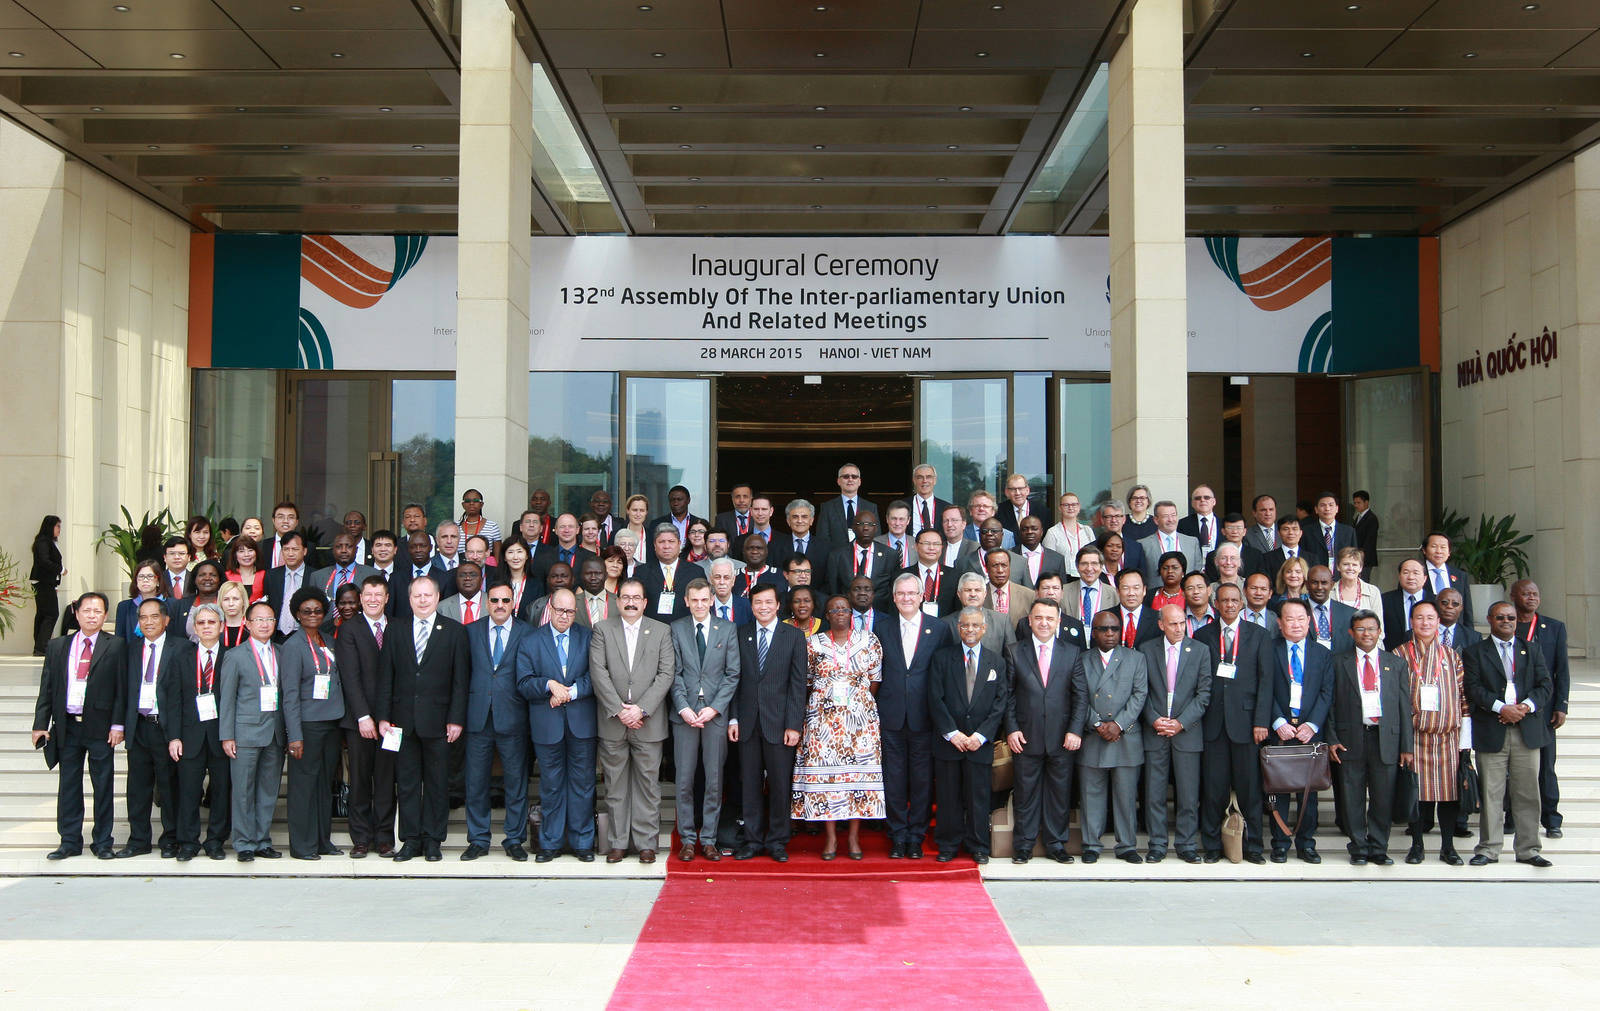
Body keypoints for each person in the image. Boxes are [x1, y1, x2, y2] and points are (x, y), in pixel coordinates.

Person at [376, 576, 469, 863]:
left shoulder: (454, 631)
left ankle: (432, 840)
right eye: (417, 596)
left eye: (428, 595)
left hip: (440, 721)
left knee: (437, 783)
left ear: (438, 597)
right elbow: (385, 678)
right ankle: (410, 840)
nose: (423, 600)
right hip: (401, 722)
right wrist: (383, 717)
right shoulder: (396, 630)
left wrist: (456, 718)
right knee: (406, 782)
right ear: (409, 598)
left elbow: (460, 681)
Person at [791, 595, 885, 861]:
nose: (841, 613)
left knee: (858, 779)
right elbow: (806, 681)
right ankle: (831, 838)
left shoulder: (870, 640)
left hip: (860, 722)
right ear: (827, 615)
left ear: (851, 614)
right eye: (835, 610)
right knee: (826, 780)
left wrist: (856, 700)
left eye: (845, 609)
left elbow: (875, 679)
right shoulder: (813, 643)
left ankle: (854, 837)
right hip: (823, 722)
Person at [32, 592, 126, 860]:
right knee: (69, 785)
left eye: (98, 611)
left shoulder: (116, 645)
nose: (92, 615)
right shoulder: (58, 646)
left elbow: (122, 688)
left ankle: (103, 842)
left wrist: (118, 724)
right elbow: (47, 688)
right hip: (68, 726)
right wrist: (40, 724)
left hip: (101, 727)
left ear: (105, 616)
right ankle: (70, 841)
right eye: (87, 610)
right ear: (76, 612)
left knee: (103, 785)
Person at [590, 578, 676, 863]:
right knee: (614, 786)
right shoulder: (602, 629)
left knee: (648, 787)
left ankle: (646, 844)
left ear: (645, 602)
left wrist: (640, 710)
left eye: (636, 597)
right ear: (617, 601)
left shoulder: (662, 631)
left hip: (648, 722)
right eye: (625, 597)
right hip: (613, 722)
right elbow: (598, 672)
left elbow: (666, 674)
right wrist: (619, 709)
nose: (630, 602)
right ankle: (617, 842)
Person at [1463, 601, 1553, 867]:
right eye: (1500, 617)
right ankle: (1489, 849)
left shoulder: (1532, 650)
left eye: (1511, 618)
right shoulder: (1475, 652)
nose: (1506, 621)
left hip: (1526, 730)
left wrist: (1524, 707)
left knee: (1527, 792)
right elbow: (1473, 688)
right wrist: (1502, 708)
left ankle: (1528, 849)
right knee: (1491, 792)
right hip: (1493, 728)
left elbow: (1545, 685)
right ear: (1490, 619)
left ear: (1517, 621)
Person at [1325, 610, 1413, 866]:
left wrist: (1406, 745)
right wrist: (1331, 738)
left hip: (1385, 739)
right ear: (1351, 633)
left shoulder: (1395, 663)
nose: (1366, 634)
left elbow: (1403, 708)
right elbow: (1329, 703)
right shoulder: (1338, 662)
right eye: (1361, 629)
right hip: (1350, 739)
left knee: (1382, 797)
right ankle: (1358, 847)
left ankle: (1378, 847)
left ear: (1379, 632)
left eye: (1371, 629)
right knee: (1352, 797)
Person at [874, 573, 952, 858]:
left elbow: (944, 674)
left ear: (922, 596)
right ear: (894, 598)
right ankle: (897, 835)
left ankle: (916, 837)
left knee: (921, 780)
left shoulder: (939, 629)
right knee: (893, 779)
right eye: (901, 594)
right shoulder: (881, 629)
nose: (907, 598)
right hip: (891, 716)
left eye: (912, 593)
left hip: (925, 716)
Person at [1193, 583, 1272, 863]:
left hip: (1248, 724)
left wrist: (1262, 720)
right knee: (1213, 789)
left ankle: (1253, 847)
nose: (1229, 605)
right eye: (1224, 600)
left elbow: (1266, 682)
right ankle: (1213, 846)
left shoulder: (1259, 635)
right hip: (1212, 724)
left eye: (1234, 600)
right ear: (1216, 603)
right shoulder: (1202, 635)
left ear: (1242, 604)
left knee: (1250, 790)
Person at [728, 583, 807, 862]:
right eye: (757, 602)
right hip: (747, 723)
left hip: (780, 724)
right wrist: (734, 718)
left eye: (768, 602)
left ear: (777, 605)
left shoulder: (794, 637)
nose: (762, 607)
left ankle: (776, 841)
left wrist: (794, 725)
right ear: (751, 606)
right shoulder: (741, 634)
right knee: (749, 783)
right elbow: (734, 681)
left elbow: (798, 685)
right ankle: (751, 839)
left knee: (779, 785)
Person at [519, 587, 598, 862]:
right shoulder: (530, 641)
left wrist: (570, 692)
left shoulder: (588, 637)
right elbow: (524, 682)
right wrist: (549, 685)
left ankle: (582, 842)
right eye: (560, 610)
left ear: (576, 612)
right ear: (549, 609)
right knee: (551, 785)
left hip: (581, 723)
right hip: (547, 724)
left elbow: (596, 676)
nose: (564, 616)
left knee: (583, 783)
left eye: (570, 611)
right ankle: (549, 843)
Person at [1006, 598, 1087, 863]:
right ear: (1029, 620)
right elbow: (1006, 696)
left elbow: (1080, 696)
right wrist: (1012, 729)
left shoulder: (1072, 653)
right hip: (1025, 737)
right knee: (1025, 794)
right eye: (1039, 618)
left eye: (1050, 619)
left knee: (1059, 795)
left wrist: (1075, 730)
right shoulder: (1015, 651)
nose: (1044, 623)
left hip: (1062, 738)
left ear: (1058, 622)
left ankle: (1056, 844)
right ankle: (1024, 845)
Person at [458, 581, 532, 862]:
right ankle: (478, 839)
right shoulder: (470, 632)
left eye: (505, 600)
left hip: (514, 717)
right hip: (478, 717)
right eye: (495, 600)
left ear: (513, 603)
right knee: (476, 783)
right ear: (486, 603)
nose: (500, 605)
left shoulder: (528, 632)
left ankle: (514, 839)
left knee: (516, 782)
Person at [1392, 600, 1470, 865]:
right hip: (1414, 737)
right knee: (1418, 793)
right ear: (1411, 622)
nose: (1425, 623)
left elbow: (1463, 697)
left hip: (1447, 737)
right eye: (1419, 618)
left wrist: (1465, 741)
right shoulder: (1399, 654)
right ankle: (1417, 846)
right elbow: (1394, 699)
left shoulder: (1452, 656)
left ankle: (1448, 847)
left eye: (1430, 618)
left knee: (1448, 796)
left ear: (1438, 622)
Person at [670, 579, 741, 862]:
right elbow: (672, 673)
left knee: (714, 778)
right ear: (686, 601)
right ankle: (687, 839)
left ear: (712, 599)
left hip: (714, 715)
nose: (699, 605)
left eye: (704, 599)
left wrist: (714, 708)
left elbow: (732, 673)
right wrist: (683, 708)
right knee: (684, 779)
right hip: (685, 713)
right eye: (694, 600)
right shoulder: (676, 629)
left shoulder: (727, 628)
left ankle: (709, 839)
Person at [928, 606, 1006, 864]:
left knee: (978, 797)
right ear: (958, 628)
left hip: (979, 744)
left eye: (975, 626)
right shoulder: (942, 658)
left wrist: (981, 736)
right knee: (948, 797)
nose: (970, 630)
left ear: (983, 628)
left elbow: (999, 703)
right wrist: (953, 733)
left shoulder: (997, 661)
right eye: (965, 625)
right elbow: (935, 698)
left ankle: (978, 845)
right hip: (950, 742)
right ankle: (948, 844)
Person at [1139, 604, 1212, 863]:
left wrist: (1181, 722)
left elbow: (1203, 695)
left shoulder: (1201, 651)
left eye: (1182, 623)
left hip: (1187, 733)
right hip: (1155, 732)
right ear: (1161, 625)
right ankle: (1157, 844)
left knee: (1188, 795)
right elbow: (1141, 690)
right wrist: (1153, 719)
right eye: (1173, 624)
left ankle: (1186, 844)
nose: (1179, 628)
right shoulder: (1146, 649)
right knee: (1154, 793)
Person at [158, 601, 229, 861]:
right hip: (189, 736)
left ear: (221, 626)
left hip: (222, 736)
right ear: (194, 628)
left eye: (212, 622)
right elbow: (172, 699)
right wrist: (174, 736)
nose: (207, 627)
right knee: (188, 791)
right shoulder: (181, 657)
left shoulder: (231, 656)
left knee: (221, 791)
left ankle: (216, 841)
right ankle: (188, 842)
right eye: (202, 623)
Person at [1078, 606, 1149, 864]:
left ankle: (1127, 844)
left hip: (1125, 735)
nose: (1109, 633)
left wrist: (1118, 724)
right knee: (1091, 794)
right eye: (1103, 629)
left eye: (1114, 629)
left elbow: (1140, 695)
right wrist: (1097, 724)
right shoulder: (1082, 659)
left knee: (1126, 795)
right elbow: (1077, 697)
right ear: (1093, 633)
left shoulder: (1135, 658)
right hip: (1093, 734)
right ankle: (1091, 844)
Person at [1266, 599, 1334, 863]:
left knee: (1309, 794)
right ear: (1280, 624)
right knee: (1279, 791)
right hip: (1279, 730)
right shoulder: (1269, 650)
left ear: (1309, 622)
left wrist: (1313, 724)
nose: (1295, 624)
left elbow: (1327, 693)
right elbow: (1264, 689)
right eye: (1289, 619)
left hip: (1310, 732)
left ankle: (1307, 844)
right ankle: (1280, 844)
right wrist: (1277, 721)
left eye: (1300, 619)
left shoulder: (1322, 653)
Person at [280, 587, 345, 861]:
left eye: (318, 610)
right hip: (307, 725)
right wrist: (294, 735)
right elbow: (290, 694)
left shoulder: (328, 641)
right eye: (306, 611)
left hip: (331, 723)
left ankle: (322, 840)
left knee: (323, 785)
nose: (313, 615)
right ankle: (302, 845)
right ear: (297, 614)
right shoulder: (293, 646)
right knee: (303, 786)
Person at [219, 600, 286, 862]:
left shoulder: (281, 652)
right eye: (258, 619)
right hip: (245, 733)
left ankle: (262, 840)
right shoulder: (235, 656)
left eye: (269, 619)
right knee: (243, 790)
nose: (264, 624)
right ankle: (244, 842)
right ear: (247, 624)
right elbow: (227, 698)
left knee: (268, 790)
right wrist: (227, 735)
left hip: (275, 732)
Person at [335, 575, 395, 858]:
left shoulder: (397, 626)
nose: (372, 599)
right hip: (359, 720)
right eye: (367, 594)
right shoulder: (349, 629)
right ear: (360, 599)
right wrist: (363, 716)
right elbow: (350, 676)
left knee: (385, 779)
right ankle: (360, 838)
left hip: (391, 722)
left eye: (378, 594)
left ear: (386, 598)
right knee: (359, 780)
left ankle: (384, 837)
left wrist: (388, 717)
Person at [119, 598, 182, 858]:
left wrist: (177, 734)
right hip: (139, 726)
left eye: (154, 616)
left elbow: (183, 695)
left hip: (166, 728)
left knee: (168, 786)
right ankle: (138, 840)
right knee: (137, 787)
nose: (148, 622)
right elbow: (122, 690)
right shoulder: (130, 649)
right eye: (143, 617)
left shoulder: (181, 648)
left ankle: (170, 840)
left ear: (166, 620)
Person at [1510, 579, 1568, 839]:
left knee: (1546, 766)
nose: (1532, 597)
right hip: (1511, 709)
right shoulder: (1506, 624)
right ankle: (1510, 816)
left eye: (1535, 593)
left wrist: (1561, 705)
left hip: (1542, 708)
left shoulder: (1554, 628)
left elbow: (1562, 670)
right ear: (1514, 596)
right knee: (1513, 766)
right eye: (1526, 593)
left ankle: (1551, 818)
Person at [636, 524, 706, 622]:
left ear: (679, 544)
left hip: (686, 629)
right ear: (655, 545)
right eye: (661, 542)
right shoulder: (641, 572)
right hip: (652, 629)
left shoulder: (695, 572)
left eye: (671, 541)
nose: (666, 546)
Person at [945, 571, 1013, 659]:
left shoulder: (1002, 621)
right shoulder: (946, 624)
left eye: (977, 590)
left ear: (985, 594)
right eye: (968, 590)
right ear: (959, 594)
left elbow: (1011, 658)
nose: (973, 594)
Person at [828, 509, 891, 604]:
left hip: (879, 612)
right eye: (861, 524)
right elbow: (833, 589)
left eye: (870, 524)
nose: (866, 528)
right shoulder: (837, 555)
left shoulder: (889, 555)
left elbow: (890, 589)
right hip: (847, 612)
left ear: (876, 528)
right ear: (853, 528)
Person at [1420, 531, 1475, 628]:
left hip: (1454, 630)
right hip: (1425, 628)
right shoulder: (1416, 574)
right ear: (1424, 550)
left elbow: (1467, 609)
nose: (1439, 551)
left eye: (1443, 547)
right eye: (1434, 546)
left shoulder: (1460, 575)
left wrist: (1469, 634)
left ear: (1449, 552)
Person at [263, 530, 310, 641]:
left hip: (303, 636)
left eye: (295, 549)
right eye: (286, 549)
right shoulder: (271, 575)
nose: (290, 553)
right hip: (276, 636)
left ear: (304, 551)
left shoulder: (315, 576)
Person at [903, 526, 960, 618]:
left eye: (936, 544)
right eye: (926, 543)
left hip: (945, 628)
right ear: (916, 546)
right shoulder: (903, 576)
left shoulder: (954, 575)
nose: (931, 548)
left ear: (942, 547)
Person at [29, 514, 63, 656]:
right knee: (51, 613)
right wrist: (61, 569)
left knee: (43, 614)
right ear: (50, 527)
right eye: (57, 526)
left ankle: (40, 646)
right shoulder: (43, 542)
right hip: (43, 582)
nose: (59, 529)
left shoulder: (46, 541)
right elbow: (45, 561)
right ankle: (42, 647)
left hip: (46, 582)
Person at [310, 531, 379, 599]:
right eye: (339, 547)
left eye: (348, 546)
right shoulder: (317, 577)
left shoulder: (373, 575)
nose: (343, 550)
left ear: (356, 550)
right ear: (333, 550)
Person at [1381, 558, 1430, 650]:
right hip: (1394, 654)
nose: (1411, 577)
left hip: (1428, 653)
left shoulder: (1435, 601)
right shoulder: (1384, 600)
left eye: (1416, 573)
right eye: (1406, 572)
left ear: (1424, 578)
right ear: (1399, 576)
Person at [1305, 565, 1356, 653]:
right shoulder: (1297, 612)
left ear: (1332, 585)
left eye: (1324, 583)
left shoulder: (1350, 614)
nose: (1319, 587)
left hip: (1339, 665)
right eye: (1315, 582)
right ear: (1307, 585)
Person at [116, 560, 167, 646]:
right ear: (136, 581)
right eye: (141, 576)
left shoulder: (171, 605)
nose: (145, 580)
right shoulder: (124, 607)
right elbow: (120, 639)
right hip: (132, 655)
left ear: (158, 581)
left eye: (150, 576)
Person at [817, 462, 868, 547]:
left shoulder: (871, 507)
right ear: (838, 481)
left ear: (859, 481)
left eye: (854, 477)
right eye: (846, 476)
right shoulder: (827, 507)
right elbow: (822, 538)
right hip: (836, 557)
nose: (850, 479)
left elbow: (875, 536)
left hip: (864, 557)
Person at [1042, 493, 1095, 572]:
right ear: (1060, 508)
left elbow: (1095, 556)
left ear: (1079, 507)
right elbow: (1049, 562)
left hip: (1086, 575)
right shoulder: (1052, 533)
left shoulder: (1087, 531)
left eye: (1074, 504)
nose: (1070, 508)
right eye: (1066, 505)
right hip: (1063, 578)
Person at [1305, 491, 1359, 569]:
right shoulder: (1307, 532)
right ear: (1316, 509)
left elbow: (1355, 557)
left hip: (1341, 576)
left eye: (1331, 505)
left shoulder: (1349, 531)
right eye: (1323, 505)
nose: (1327, 508)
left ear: (1337, 509)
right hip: (1316, 576)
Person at [1013, 516, 1067, 589]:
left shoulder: (1057, 559)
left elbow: (1061, 589)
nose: (1029, 532)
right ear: (1020, 532)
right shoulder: (1009, 555)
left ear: (1041, 532)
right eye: (1025, 529)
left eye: (1034, 529)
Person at [1332, 546, 1383, 624]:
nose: (1350, 568)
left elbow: (1379, 625)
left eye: (1354, 565)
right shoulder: (1330, 591)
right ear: (1338, 567)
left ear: (1361, 568)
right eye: (1346, 564)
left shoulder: (1373, 591)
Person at [1114, 568, 1161, 648]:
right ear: (1118, 591)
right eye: (1125, 588)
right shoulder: (1107, 617)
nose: (1131, 593)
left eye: (1136, 588)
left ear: (1144, 590)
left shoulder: (1157, 618)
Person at [908, 462, 953, 537]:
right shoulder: (904, 505)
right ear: (914, 480)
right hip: (910, 547)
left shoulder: (946, 508)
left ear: (934, 480)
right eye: (920, 477)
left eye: (928, 477)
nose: (924, 481)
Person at [1176, 485, 1221, 556]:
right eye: (1198, 498)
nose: (1202, 500)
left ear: (1214, 501)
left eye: (1206, 497)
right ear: (1192, 503)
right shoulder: (1182, 524)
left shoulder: (1223, 524)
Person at [497, 539, 537, 619]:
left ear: (527, 556)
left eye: (519, 552)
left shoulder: (537, 584)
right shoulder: (497, 582)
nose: (515, 557)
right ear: (504, 557)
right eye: (510, 552)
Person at [574, 556, 619, 627]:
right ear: (582, 576)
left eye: (598, 573)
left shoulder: (618, 602)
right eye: (588, 573)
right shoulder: (573, 602)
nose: (593, 578)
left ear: (606, 576)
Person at [458, 487, 502, 556]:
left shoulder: (492, 527)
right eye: (467, 501)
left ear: (481, 504)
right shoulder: (455, 527)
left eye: (475, 500)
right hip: (461, 566)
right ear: (463, 505)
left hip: (486, 566)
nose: (471, 503)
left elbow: (498, 558)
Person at [222, 535, 266, 603]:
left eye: (250, 550)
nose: (246, 554)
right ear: (235, 555)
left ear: (256, 553)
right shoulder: (226, 576)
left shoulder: (265, 575)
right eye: (241, 551)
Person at [939, 503, 980, 571]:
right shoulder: (938, 548)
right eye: (946, 521)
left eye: (954, 520)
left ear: (963, 524)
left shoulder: (975, 548)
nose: (949, 524)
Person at [876, 499, 914, 569]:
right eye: (894, 518)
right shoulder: (876, 543)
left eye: (901, 519)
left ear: (908, 520)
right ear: (887, 519)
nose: (897, 523)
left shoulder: (916, 543)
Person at [1350, 491, 1380, 578]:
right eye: (1355, 503)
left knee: (1363, 581)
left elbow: (1369, 540)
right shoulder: (1358, 517)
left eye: (1358, 503)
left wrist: (1360, 555)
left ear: (1366, 502)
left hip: (1365, 558)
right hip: (1357, 556)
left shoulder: (1371, 518)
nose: (1356, 505)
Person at [264, 500, 299, 569]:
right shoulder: (262, 546)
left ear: (297, 522)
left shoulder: (307, 547)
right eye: (281, 517)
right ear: (273, 520)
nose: (285, 521)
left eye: (291, 517)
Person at [216, 580, 251, 648]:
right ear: (220, 602)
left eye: (235, 599)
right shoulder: (216, 627)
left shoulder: (251, 628)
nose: (231, 604)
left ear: (243, 601)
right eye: (226, 599)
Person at [617, 494, 650, 562]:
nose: (638, 514)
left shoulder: (652, 536)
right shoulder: (616, 534)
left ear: (646, 512)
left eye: (642, 510)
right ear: (628, 511)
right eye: (635, 510)